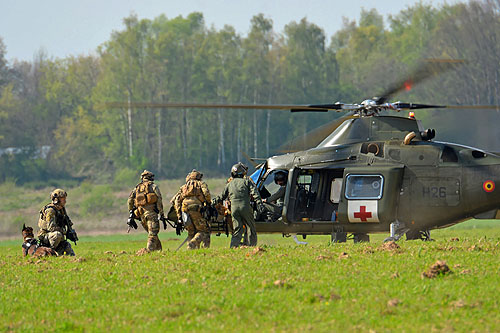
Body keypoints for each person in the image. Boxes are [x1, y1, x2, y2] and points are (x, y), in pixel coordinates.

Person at [214, 163, 265, 248]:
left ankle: (234, 246)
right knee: (250, 227)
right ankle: (251, 246)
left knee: (237, 228)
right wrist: (260, 204)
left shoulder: (229, 184)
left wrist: (212, 202)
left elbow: (221, 197)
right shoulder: (247, 181)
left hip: (234, 209)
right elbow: (255, 193)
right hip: (245, 207)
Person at [127, 170, 165, 252]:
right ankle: (148, 251)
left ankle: (159, 252)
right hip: (151, 214)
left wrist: (131, 213)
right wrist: (161, 213)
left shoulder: (137, 188)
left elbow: (130, 201)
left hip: (141, 216)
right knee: (153, 234)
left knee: (152, 234)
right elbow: (159, 200)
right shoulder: (153, 186)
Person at [174, 169, 211, 249]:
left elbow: (176, 201)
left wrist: (179, 216)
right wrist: (208, 203)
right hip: (196, 209)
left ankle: (190, 249)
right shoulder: (201, 184)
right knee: (203, 231)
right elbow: (206, 194)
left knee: (191, 232)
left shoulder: (184, 187)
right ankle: (194, 243)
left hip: (185, 210)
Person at [37, 189, 76, 256]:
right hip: (45, 235)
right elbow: (51, 227)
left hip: (55, 235)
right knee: (57, 235)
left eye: (64, 198)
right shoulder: (50, 210)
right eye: (62, 198)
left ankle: (61, 255)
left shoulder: (61, 209)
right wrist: (64, 232)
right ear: (56, 199)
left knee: (67, 245)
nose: (65, 200)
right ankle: (50, 252)